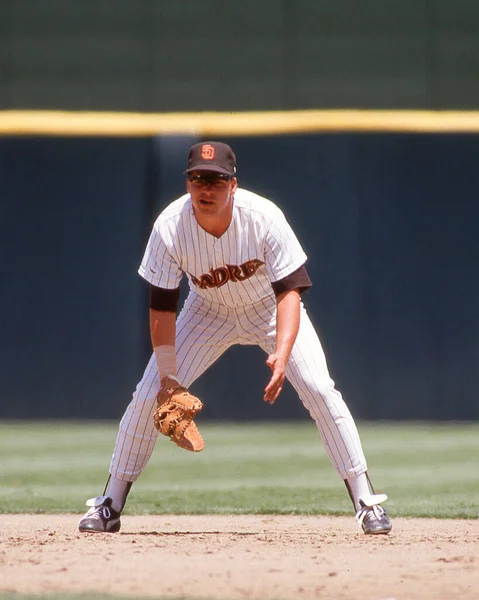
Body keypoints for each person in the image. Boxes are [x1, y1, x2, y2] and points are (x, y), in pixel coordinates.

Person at [78, 141, 392, 535]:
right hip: (207, 311)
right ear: (188, 182)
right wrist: (169, 376)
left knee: (318, 388)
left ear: (233, 184)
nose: (205, 188)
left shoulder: (263, 218)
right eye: (197, 179)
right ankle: (109, 503)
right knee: (147, 396)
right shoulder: (170, 226)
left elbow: (289, 292)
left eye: (216, 180)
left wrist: (282, 352)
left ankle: (366, 502)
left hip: (268, 310)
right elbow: (161, 307)